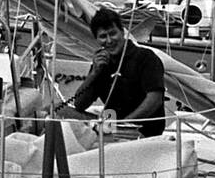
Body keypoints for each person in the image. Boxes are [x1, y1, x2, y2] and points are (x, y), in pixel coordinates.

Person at [57, 8, 166, 137]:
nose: (109, 41)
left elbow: (155, 99)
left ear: (122, 32)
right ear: (97, 39)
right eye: (103, 36)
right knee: (57, 109)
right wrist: (94, 74)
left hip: (141, 128)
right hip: (110, 125)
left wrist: (125, 124)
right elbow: (80, 104)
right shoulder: (101, 63)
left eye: (112, 34)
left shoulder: (145, 57)